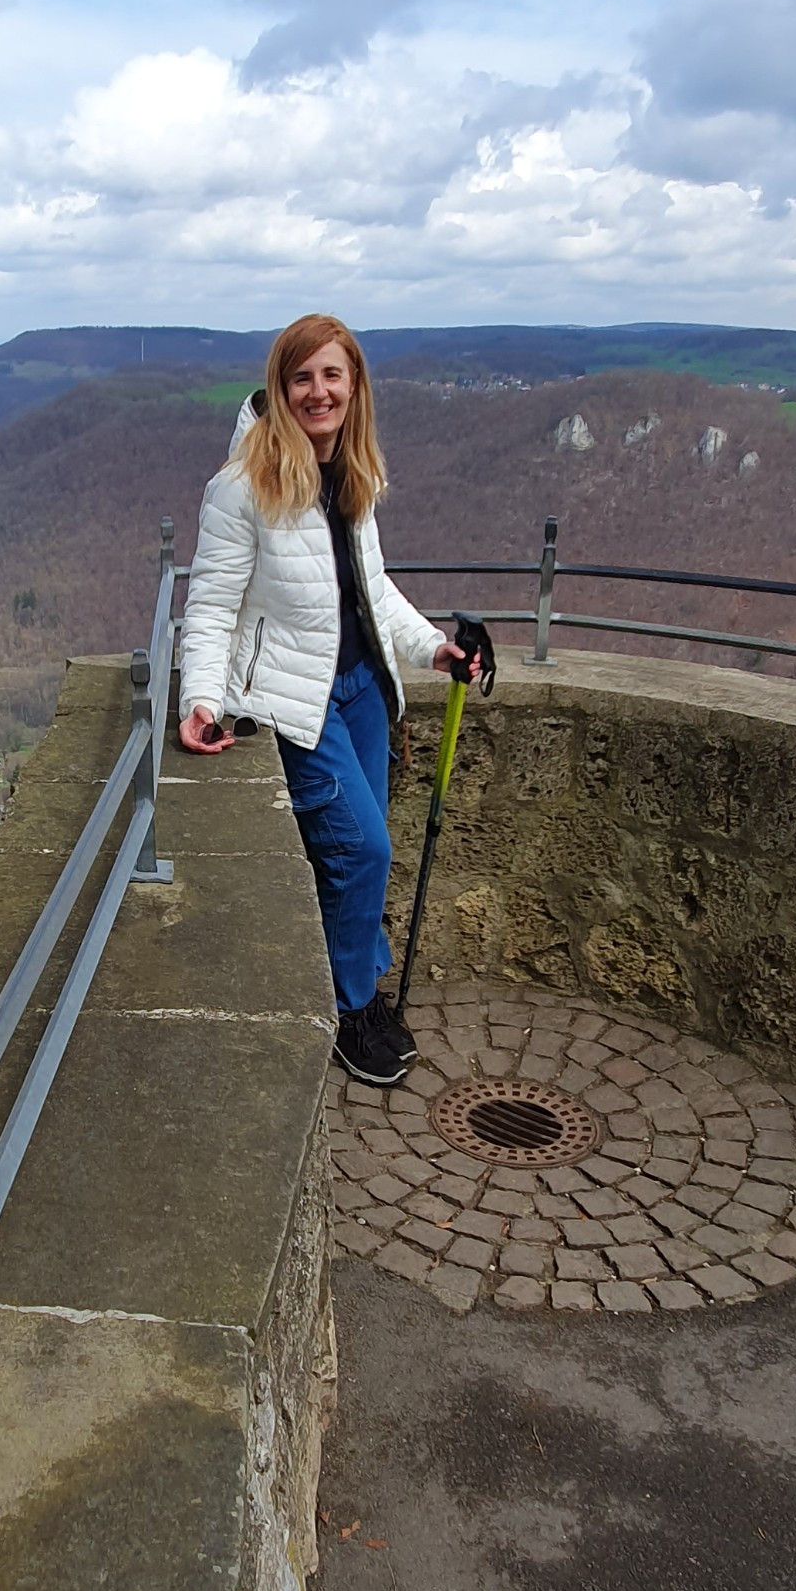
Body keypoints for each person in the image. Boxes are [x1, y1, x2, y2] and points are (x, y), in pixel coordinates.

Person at [177, 312, 481, 1086]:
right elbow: (211, 605)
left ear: (354, 385)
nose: (319, 392)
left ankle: (360, 987)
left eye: (332, 375)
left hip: (361, 691)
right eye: (303, 377)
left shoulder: (350, 470)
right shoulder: (242, 484)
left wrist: (432, 648)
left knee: (363, 847)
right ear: (281, 387)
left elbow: (369, 588)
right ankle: (350, 1011)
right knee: (362, 847)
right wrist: (201, 700)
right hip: (291, 699)